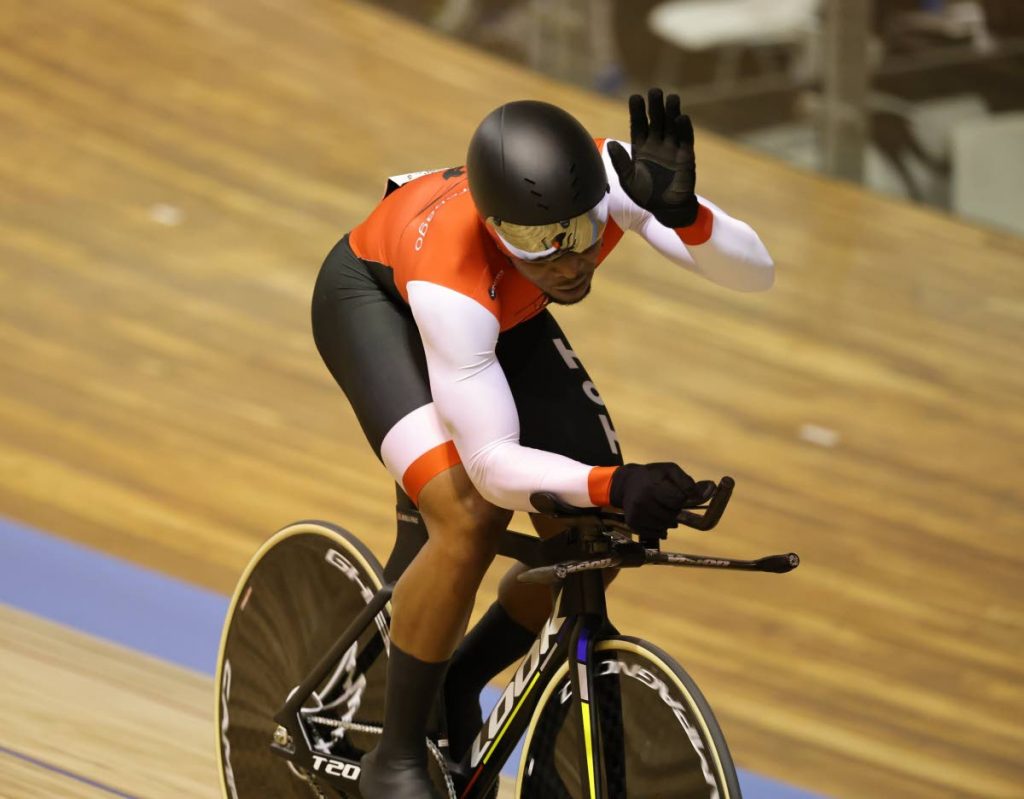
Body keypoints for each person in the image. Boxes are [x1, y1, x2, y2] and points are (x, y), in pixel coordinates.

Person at [311, 88, 774, 798]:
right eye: (539, 244)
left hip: (506, 310)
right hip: (379, 303)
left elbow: (757, 272)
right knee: (468, 518)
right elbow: (492, 467)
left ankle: (459, 679)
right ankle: (395, 757)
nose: (569, 261)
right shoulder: (453, 278)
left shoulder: (616, 183)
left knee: (597, 536)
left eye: (581, 233)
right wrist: (617, 481)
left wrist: (687, 217)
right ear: (496, 229)